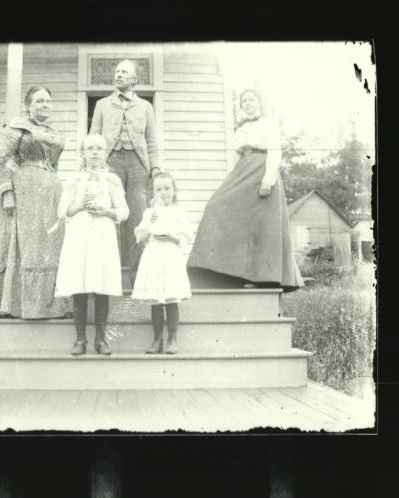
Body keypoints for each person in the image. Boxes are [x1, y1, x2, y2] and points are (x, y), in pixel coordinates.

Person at [187, 89, 304, 291]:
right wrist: (232, 181)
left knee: (261, 225)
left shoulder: (269, 124)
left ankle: (262, 278)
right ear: (241, 106)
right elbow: (235, 158)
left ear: (259, 102)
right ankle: (225, 274)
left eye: (252, 100)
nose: (248, 104)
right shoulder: (239, 131)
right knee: (216, 206)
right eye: (244, 101)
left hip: (262, 169)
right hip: (243, 170)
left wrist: (268, 180)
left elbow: (275, 152)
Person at [0, 86, 69, 319]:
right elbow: (5, 162)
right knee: (27, 245)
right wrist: (8, 192)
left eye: (48, 102)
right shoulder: (16, 129)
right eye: (40, 101)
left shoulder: (53, 132)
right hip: (24, 192)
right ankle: (20, 306)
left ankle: (49, 306)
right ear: (28, 105)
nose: (45, 105)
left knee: (49, 245)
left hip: (50, 191)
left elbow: (53, 164)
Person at [54, 134, 129, 356]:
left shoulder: (112, 180)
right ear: (83, 153)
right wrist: (77, 206)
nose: (95, 152)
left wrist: (107, 211)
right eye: (90, 148)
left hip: (103, 232)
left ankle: (100, 339)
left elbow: (124, 212)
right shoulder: (75, 179)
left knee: (101, 285)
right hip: (79, 233)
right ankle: (79, 339)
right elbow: (61, 211)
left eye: (99, 148)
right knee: (80, 284)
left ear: (105, 153)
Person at [90, 59, 160, 284]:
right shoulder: (102, 104)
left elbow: (151, 141)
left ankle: (137, 276)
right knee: (110, 215)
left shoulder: (146, 107)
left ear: (134, 80)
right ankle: (110, 276)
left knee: (137, 216)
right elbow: (94, 138)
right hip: (110, 163)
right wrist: (92, 168)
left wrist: (156, 168)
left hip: (138, 164)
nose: (119, 75)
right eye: (117, 71)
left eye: (124, 72)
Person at [132, 172, 192, 354]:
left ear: (174, 190)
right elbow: (140, 237)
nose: (163, 192)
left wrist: (173, 236)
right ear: (153, 192)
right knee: (156, 301)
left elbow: (186, 237)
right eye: (159, 189)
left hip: (171, 256)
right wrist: (150, 225)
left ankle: (172, 338)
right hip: (153, 256)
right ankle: (157, 339)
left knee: (170, 298)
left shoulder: (179, 211)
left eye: (167, 188)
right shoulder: (150, 213)